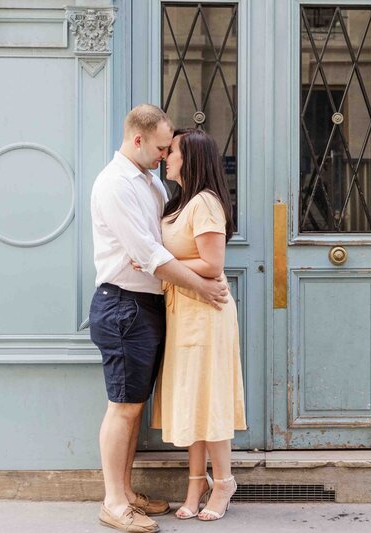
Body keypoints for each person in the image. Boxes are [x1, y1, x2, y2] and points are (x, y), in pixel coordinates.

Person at [89, 105, 230, 533]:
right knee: (123, 407)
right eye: (160, 146)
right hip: (124, 305)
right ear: (138, 140)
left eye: (170, 149)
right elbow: (150, 255)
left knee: (133, 406)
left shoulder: (149, 182)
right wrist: (202, 285)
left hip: (147, 306)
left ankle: (128, 493)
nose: (164, 154)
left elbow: (162, 249)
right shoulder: (115, 185)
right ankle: (114, 502)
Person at [149, 128, 247, 522]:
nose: (165, 157)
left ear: (189, 158)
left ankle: (223, 481)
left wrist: (158, 265)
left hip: (206, 316)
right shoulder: (179, 202)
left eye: (171, 151)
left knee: (209, 398)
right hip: (184, 312)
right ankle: (196, 481)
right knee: (192, 399)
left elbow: (213, 264)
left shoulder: (205, 203)